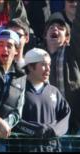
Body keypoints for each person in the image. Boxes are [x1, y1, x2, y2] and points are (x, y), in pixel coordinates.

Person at [12, 48, 71, 152]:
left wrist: (53, 130)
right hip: (24, 148)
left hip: (52, 148)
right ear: (30, 66)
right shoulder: (16, 88)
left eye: (49, 64)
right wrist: (34, 130)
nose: (48, 69)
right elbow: (10, 118)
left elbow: (65, 117)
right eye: (43, 64)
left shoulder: (54, 91)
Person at [44, 3, 80, 134]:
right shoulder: (37, 55)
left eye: (60, 28)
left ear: (67, 38)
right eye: (51, 27)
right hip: (48, 125)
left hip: (75, 123)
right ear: (45, 35)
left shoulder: (73, 53)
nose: (55, 29)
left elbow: (78, 27)